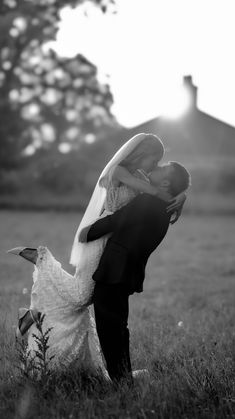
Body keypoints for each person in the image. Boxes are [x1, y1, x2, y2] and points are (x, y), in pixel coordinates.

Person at [7, 133, 186, 377]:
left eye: (160, 165)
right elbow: (146, 195)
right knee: (85, 298)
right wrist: (170, 194)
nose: (155, 166)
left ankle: (34, 317)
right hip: (101, 240)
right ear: (142, 154)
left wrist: (180, 195)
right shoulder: (122, 172)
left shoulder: (145, 184)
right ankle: (41, 261)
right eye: (155, 160)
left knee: (87, 300)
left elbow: (147, 200)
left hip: (111, 247)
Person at [78, 162, 191, 383]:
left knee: (110, 327)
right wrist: (182, 195)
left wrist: (87, 232)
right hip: (128, 271)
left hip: (115, 269)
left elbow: (116, 221)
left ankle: (121, 381)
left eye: (163, 167)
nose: (157, 165)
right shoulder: (163, 206)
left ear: (165, 182)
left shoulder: (147, 201)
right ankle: (123, 376)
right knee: (118, 325)